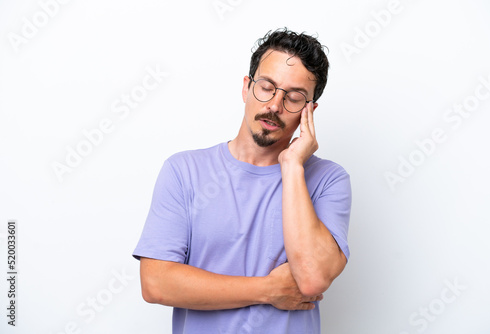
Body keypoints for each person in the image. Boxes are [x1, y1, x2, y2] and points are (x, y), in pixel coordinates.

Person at [132, 28, 352, 334]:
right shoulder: (184, 171)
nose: (275, 105)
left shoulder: (328, 180)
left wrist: (291, 165)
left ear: (309, 112)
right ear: (247, 87)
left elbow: (313, 278)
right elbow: (156, 283)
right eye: (267, 87)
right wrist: (267, 289)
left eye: (294, 97)